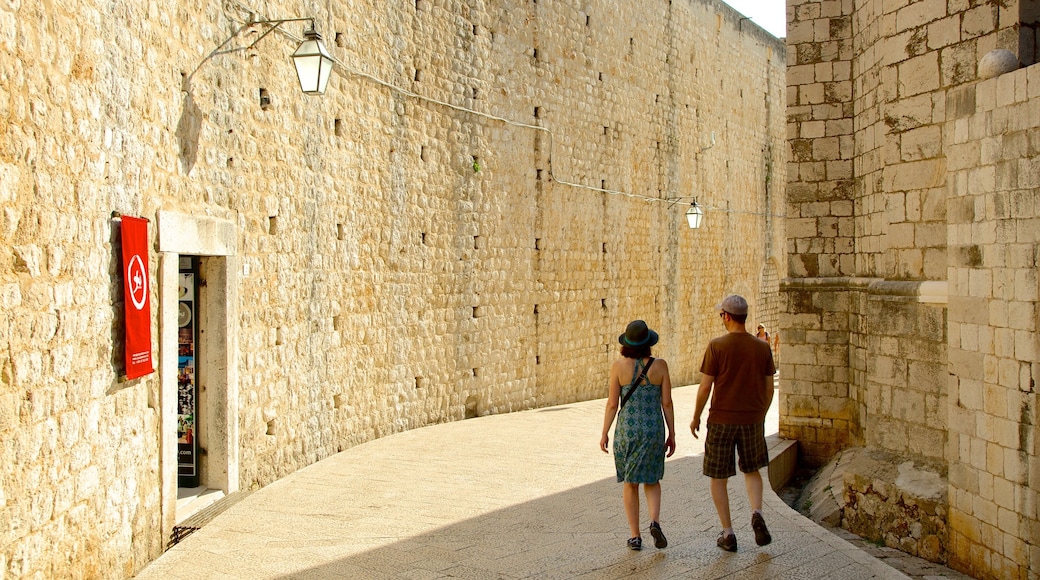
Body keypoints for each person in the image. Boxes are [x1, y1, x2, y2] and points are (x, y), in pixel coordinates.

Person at [691, 295, 775, 552]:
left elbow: (705, 387)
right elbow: (769, 388)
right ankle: (757, 512)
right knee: (752, 471)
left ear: (726, 316)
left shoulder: (717, 346)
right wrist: (762, 412)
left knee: (718, 477)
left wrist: (696, 416)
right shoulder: (762, 348)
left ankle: (728, 533)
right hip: (751, 419)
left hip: (721, 419)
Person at [600, 320, 676, 551]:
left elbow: (613, 404)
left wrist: (604, 432)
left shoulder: (618, 367)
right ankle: (655, 521)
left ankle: (635, 536)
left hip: (628, 431)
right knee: (652, 480)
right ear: (648, 343)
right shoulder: (660, 366)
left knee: (630, 483)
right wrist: (672, 433)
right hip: (653, 429)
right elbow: (667, 402)